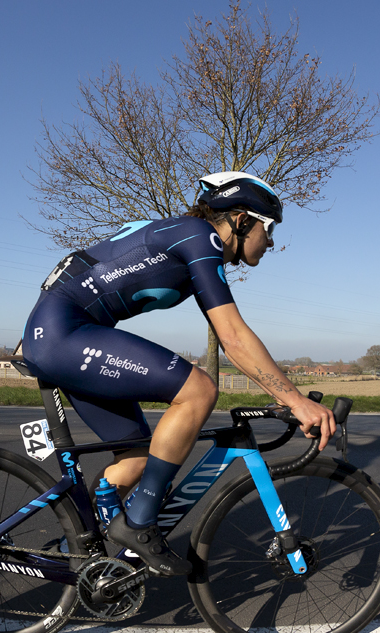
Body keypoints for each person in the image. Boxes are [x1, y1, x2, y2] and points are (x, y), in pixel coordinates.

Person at [20, 171, 334, 576]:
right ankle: (139, 526)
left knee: (138, 461)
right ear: (241, 221)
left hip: (62, 334)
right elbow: (234, 338)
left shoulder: (189, 238)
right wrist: (296, 400)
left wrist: (286, 395)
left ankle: (78, 549)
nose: (270, 242)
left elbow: (231, 340)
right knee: (200, 389)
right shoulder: (199, 237)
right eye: (268, 229)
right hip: (64, 335)